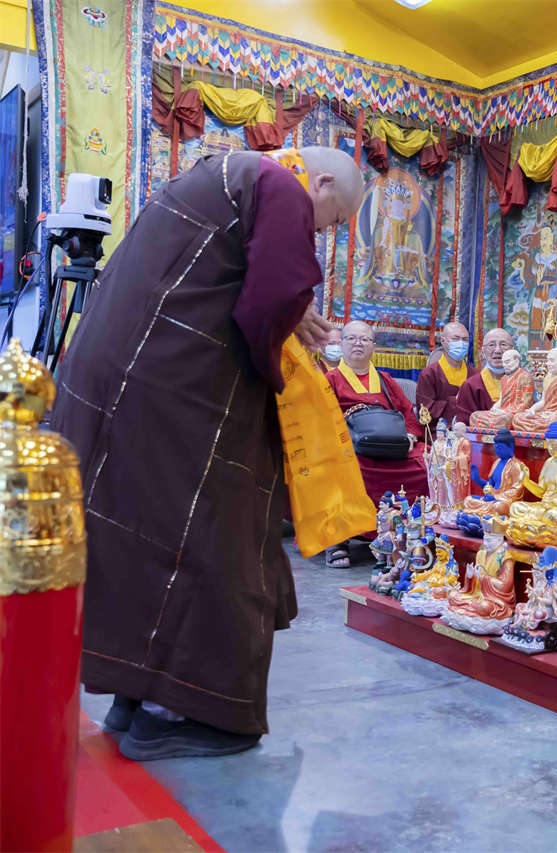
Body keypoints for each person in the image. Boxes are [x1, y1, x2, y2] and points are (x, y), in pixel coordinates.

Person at [49, 146, 363, 760]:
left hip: (124, 374)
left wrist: (286, 310)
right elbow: (271, 301)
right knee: (215, 534)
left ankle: (134, 695)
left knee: (143, 534)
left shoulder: (220, 172)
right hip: (170, 386)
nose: (322, 231)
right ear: (321, 181)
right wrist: (288, 352)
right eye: (331, 220)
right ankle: (179, 711)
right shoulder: (281, 185)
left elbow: (241, 284)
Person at [325, 319, 433, 567]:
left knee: (426, 462)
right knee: (341, 468)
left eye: (364, 339)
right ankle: (337, 540)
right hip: (351, 445)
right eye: (351, 338)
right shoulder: (331, 379)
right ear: (341, 344)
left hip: (391, 444)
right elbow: (320, 419)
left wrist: (410, 436)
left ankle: (416, 535)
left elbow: (406, 411)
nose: (358, 344)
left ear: (373, 346)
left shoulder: (384, 379)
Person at [415, 320, 474, 430]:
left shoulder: (474, 374)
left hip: (469, 432)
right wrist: (455, 401)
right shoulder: (430, 373)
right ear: (443, 341)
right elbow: (425, 412)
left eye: (465, 339)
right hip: (439, 432)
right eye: (456, 338)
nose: (461, 343)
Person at [455, 327, 513, 425]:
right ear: (482, 352)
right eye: (491, 345)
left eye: (503, 344)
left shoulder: (522, 381)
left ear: (513, 350)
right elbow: (464, 423)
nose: (498, 350)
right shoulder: (470, 385)